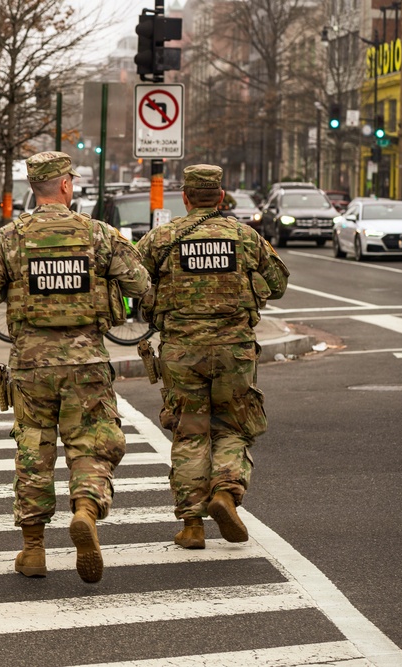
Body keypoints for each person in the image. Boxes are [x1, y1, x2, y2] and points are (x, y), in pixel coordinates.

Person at [0, 151, 150, 583]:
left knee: (34, 450)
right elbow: (141, 284)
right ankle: (85, 509)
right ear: (65, 185)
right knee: (92, 443)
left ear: (35, 188)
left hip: (31, 365)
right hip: (86, 360)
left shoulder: (11, 237)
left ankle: (33, 550)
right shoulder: (98, 235)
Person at [135, 164, 289, 550]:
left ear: (184, 198)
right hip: (234, 351)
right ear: (221, 197)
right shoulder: (244, 235)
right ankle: (226, 492)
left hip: (181, 352)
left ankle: (192, 526)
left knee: (190, 433)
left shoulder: (162, 238)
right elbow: (279, 284)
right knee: (233, 427)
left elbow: (132, 283)